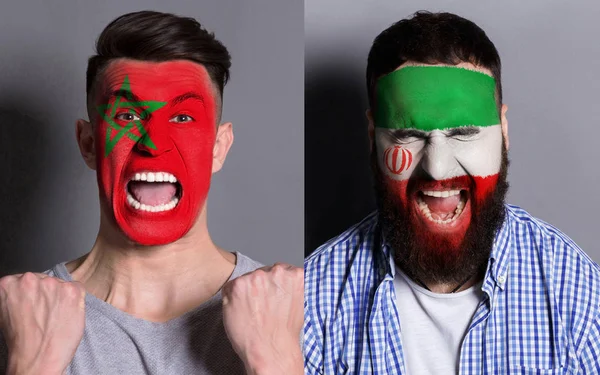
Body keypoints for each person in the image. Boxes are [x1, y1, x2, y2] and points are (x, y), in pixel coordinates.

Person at [0, 11, 303, 375]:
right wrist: (32, 366)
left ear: (219, 147)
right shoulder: (14, 318)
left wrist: (274, 360)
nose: (153, 144)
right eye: (127, 117)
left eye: (182, 118)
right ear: (88, 144)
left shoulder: (299, 310)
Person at [303, 11, 600, 374]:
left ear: (504, 131)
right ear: (372, 138)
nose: (438, 168)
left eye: (464, 132)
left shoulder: (578, 296)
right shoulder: (312, 303)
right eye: (406, 135)